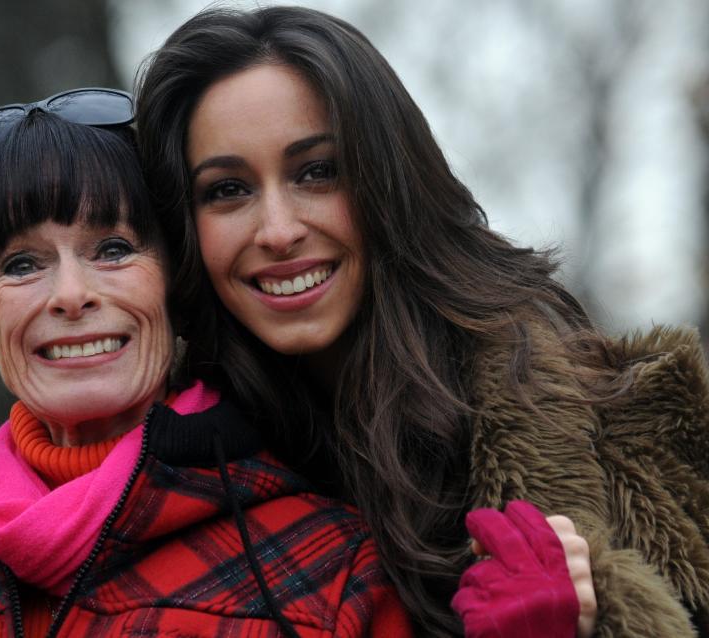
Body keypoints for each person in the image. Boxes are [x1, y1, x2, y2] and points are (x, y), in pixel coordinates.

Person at [135, 6, 709, 637]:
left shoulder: (630, 425)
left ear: (391, 181)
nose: (277, 230)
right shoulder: (166, 474)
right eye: (227, 190)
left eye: (317, 172)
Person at [0, 89, 413, 637]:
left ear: (176, 286)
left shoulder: (332, 572)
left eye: (114, 250)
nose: (72, 294)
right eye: (23, 264)